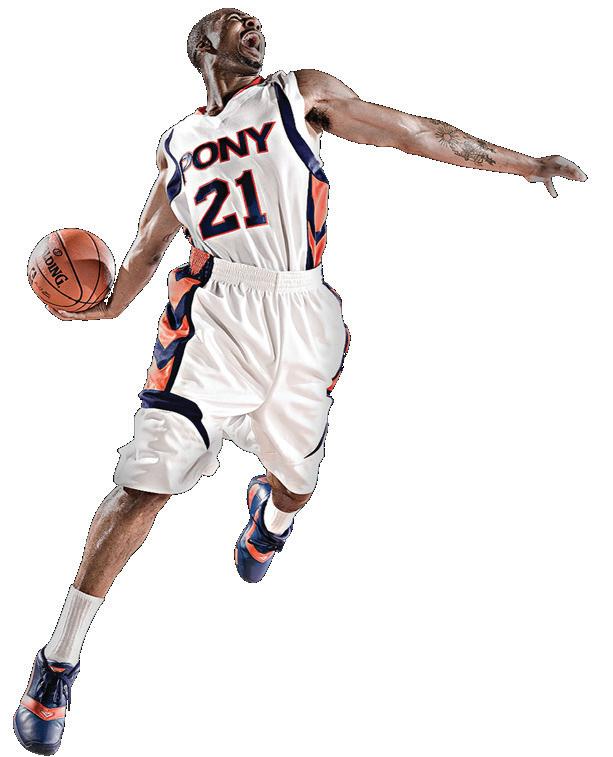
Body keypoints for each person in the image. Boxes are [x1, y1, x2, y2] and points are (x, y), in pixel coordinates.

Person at [13, 7, 587, 754]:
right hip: (214, 318)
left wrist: (523, 164)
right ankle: (57, 659)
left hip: (301, 312)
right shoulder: (177, 146)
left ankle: (271, 515)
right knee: (143, 483)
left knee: (298, 483)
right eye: (234, 20)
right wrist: (97, 306)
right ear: (204, 49)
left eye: (253, 19)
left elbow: (412, 131)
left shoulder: (298, 93)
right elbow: (143, 254)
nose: (252, 22)